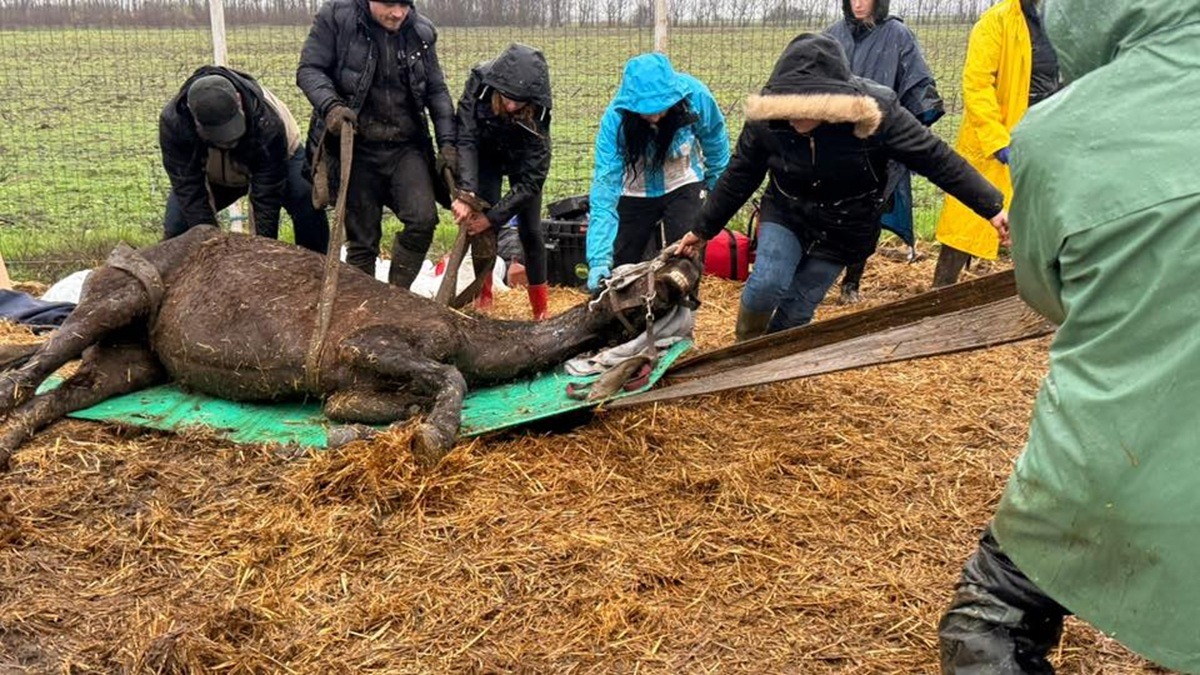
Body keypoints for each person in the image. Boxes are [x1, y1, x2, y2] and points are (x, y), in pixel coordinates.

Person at [938, 0, 1200, 672]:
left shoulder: (1060, 133)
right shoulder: (995, 25)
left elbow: (1047, 295)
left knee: (987, 621)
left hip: (1126, 456)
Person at [677, 34, 1005, 341]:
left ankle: (770, 362)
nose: (792, 118)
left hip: (847, 223)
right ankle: (742, 349)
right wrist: (703, 228)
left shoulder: (878, 113)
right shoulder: (767, 118)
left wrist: (991, 206)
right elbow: (741, 173)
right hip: (787, 209)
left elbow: (936, 158)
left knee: (798, 307)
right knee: (766, 284)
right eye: (786, 108)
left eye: (803, 109)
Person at [297, 0, 455, 288]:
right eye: (389, 4)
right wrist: (331, 106)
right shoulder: (337, 18)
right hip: (357, 146)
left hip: (405, 146)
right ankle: (365, 304)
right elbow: (309, 69)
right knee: (362, 240)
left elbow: (437, 91)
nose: (397, 13)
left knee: (422, 220)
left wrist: (448, 144)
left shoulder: (420, 32)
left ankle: (396, 294)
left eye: (404, 5)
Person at [932, 0, 1058, 287]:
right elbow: (977, 86)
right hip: (999, 140)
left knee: (1042, 222)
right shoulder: (996, 22)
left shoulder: (1060, 20)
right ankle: (939, 292)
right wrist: (997, 140)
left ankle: (1037, 292)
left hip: (1046, 134)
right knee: (968, 219)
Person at [826, 0, 944, 303]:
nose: (858, 3)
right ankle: (821, 275)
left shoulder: (897, 35)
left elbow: (916, 81)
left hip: (879, 143)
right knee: (830, 209)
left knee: (869, 212)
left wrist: (911, 125)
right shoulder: (833, 35)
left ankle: (851, 282)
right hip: (838, 141)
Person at [585, 53, 729, 292]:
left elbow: (716, 144)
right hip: (634, 189)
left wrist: (716, 197)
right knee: (623, 266)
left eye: (660, 109)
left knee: (685, 260)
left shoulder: (696, 97)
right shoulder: (615, 120)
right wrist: (598, 259)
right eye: (644, 111)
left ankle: (684, 313)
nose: (653, 117)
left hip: (684, 181)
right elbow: (605, 187)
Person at [159, 66, 329, 253]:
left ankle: (317, 264)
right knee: (178, 224)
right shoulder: (174, 124)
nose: (227, 140)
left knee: (305, 199)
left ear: (238, 99)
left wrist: (260, 252)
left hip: (279, 159)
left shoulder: (268, 122)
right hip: (212, 173)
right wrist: (211, 247)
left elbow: (267, 196)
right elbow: (189, 189)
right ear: (194, 117)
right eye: (218, 134)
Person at [452, 43, 553, 319]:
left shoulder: (539, 112)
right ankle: (484, 299)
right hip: (485, 154)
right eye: (506, 98)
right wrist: (467, 193)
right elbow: (466, 138)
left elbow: (532, 180)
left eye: (518, 102)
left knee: (531, 231)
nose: (510, 106)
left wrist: (493, 217)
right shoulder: (480, 84)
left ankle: (541, 310)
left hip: (522, 159)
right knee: (481, 231)